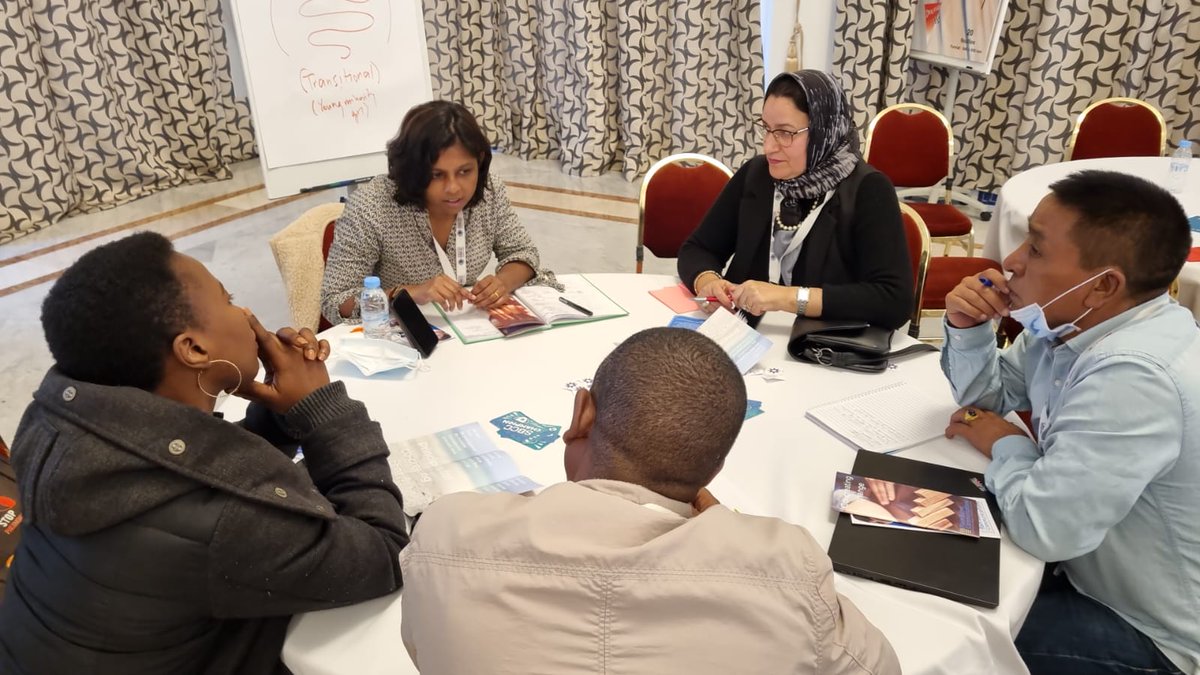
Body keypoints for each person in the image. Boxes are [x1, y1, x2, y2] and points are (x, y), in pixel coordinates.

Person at [0, 232, 410, 674]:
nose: (248, 313)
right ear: (194, 349)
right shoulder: (220, 524)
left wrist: (284, 413)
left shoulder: (56, 421)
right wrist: (324, 409)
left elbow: (195, 463)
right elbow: (383, 556)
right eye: (229, 299)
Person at [399, 327, 901, 674]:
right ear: (716, 468)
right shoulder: (789, 570)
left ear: (582, 414)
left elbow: (425, 648)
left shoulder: (447, 533)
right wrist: (730, 527)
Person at [939, 170, 1199, 675]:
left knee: (941, 632)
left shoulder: (1134, 376)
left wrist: (1008, 445)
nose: (1010, 263)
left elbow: (1044, 528)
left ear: (1101, 285)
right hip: (1086, 566)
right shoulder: (1077, 321)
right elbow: (988, 399)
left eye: (1035, 249)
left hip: (1147, 631)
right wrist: (968, 329)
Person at [677, 70, 913, 329]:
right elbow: (699, 248)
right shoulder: (757, 174)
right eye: (766, 128)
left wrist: (787, 298)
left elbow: (893, 301)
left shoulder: (868, 189)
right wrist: (708, 281)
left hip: (820, 347)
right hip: (744, 336)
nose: (769, 146)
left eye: (785, 133)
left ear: (825, 130)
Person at [320, 100, 554, 324]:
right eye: (436, 175)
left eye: (465, 171)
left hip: (468, 328)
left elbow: (523, 252)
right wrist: (409, 294)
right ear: (412, 170)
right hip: (400, 337)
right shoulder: (371, 206)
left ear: (480, 162)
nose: (454, 188)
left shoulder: (488, 191)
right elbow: (335, 300)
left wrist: (502, 283)